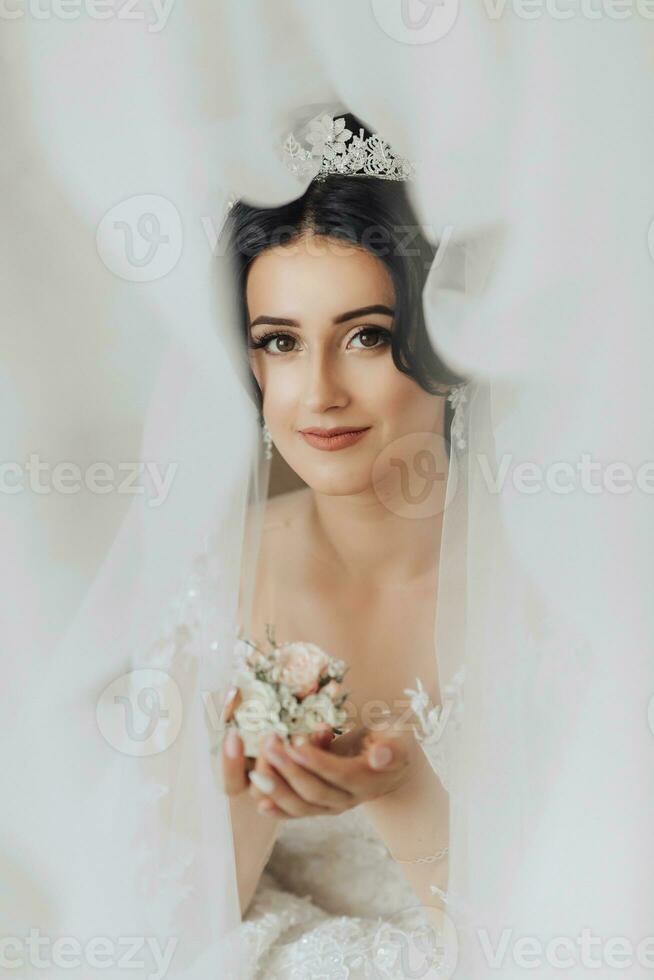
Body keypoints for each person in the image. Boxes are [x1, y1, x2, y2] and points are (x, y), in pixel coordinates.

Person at [218, 112, 465, 977]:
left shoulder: (566, 581)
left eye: (365, 336)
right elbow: (160, 925)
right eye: (280, 342)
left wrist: (398, 787)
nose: (318, 392)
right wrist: (250, 797)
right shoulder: (211, 580)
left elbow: (580, 931)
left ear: (446, 341)